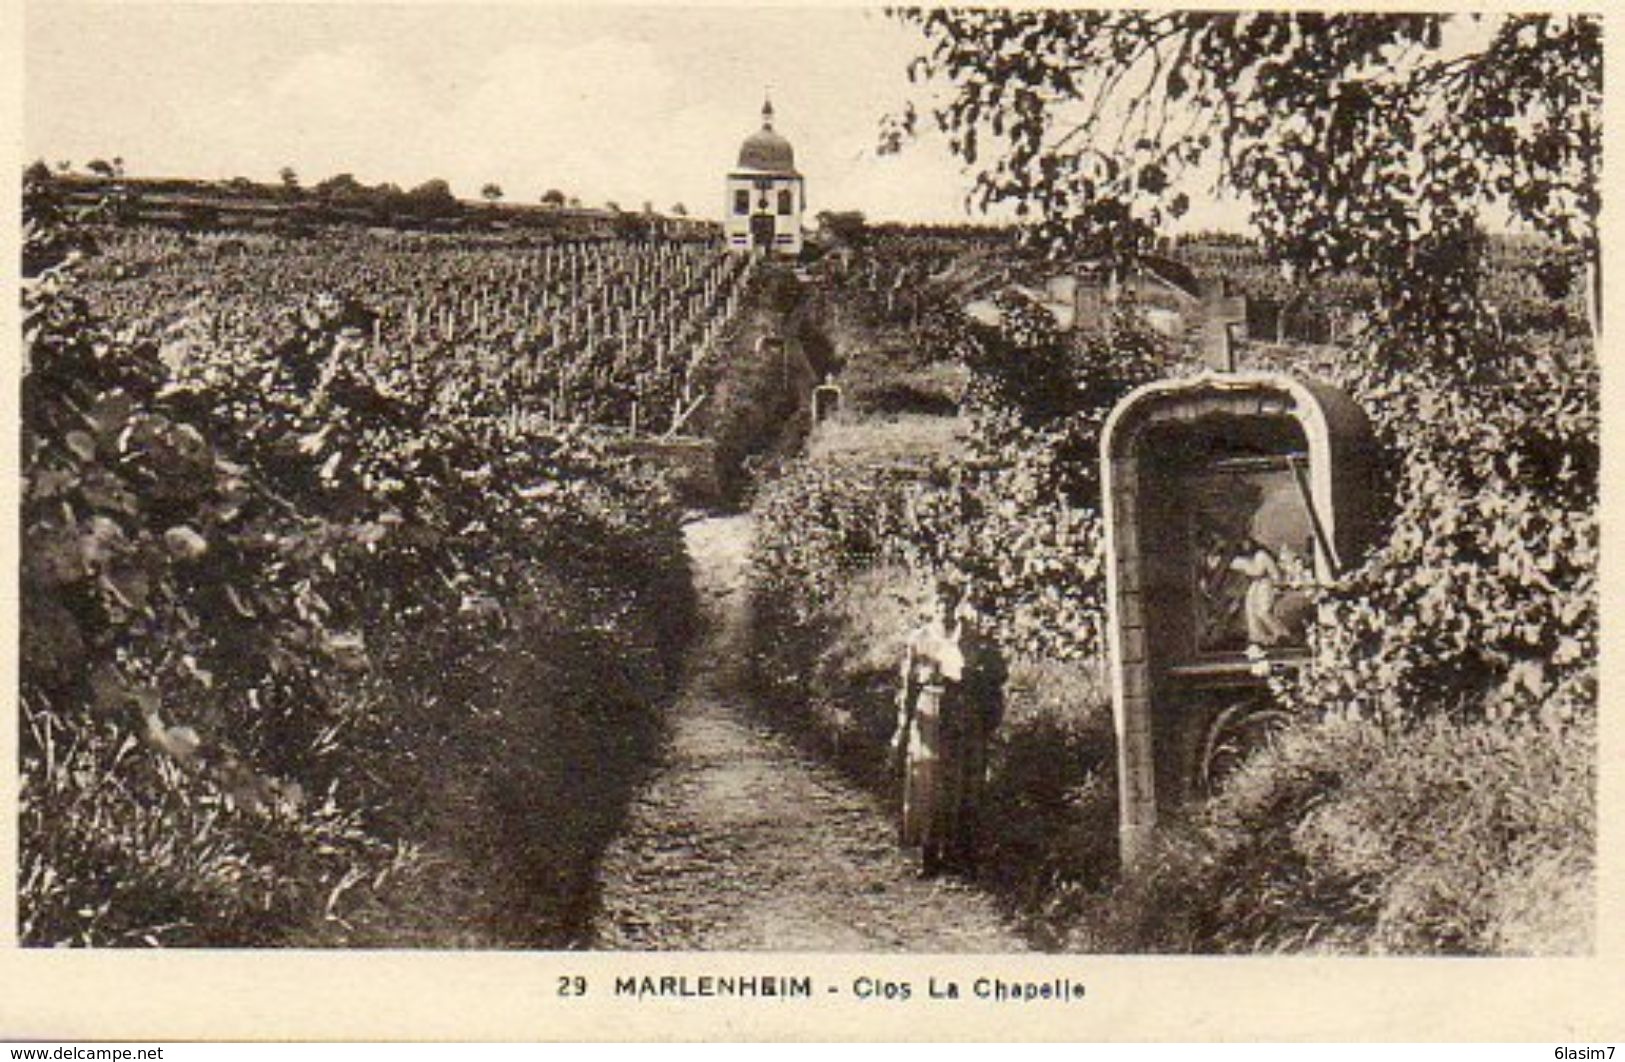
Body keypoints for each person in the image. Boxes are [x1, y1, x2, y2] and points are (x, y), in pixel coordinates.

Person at [891, 575, 1007, 876]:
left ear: (957, 605)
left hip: (962, 712)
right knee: (928, 782)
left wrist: (977, 685)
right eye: (938, 602)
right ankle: (929, 856)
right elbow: (907, 685)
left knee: (962, 782)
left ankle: (962, 856)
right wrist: (902, 726)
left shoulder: (972, 638)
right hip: (928, 711)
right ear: (931, 606)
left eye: (949, 602)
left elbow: (995, 677)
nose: (943, 608)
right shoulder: (919, 640)